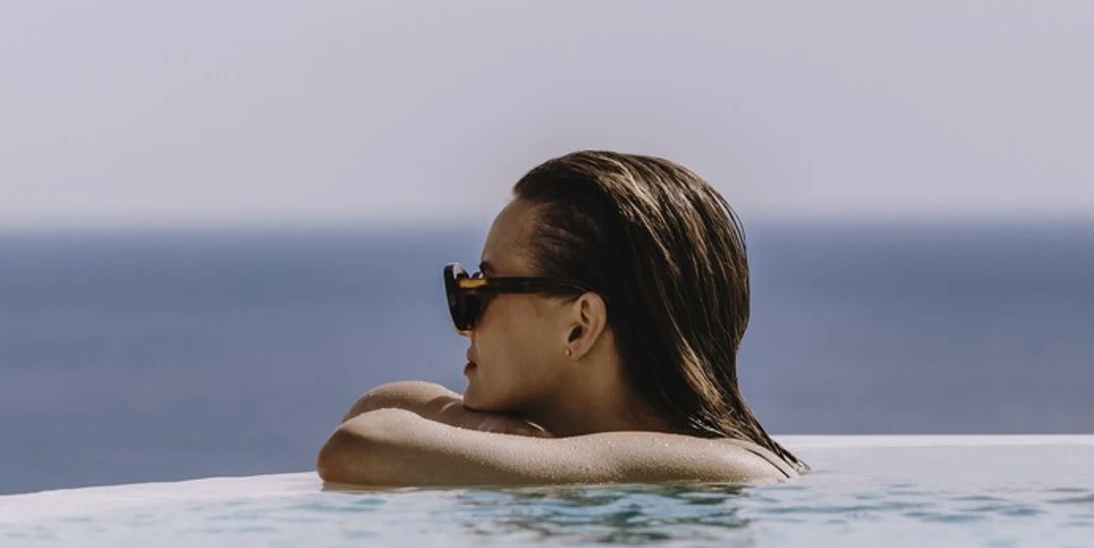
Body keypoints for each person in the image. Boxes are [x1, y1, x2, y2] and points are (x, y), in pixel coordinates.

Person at [317, 149, 806, 487]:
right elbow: (379, 407)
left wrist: (499, 438)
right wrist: (501, 432)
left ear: (580, 325)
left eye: (480, 290)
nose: (464, 323)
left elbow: (362, 444)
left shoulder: (717, 469)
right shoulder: (599, 458)